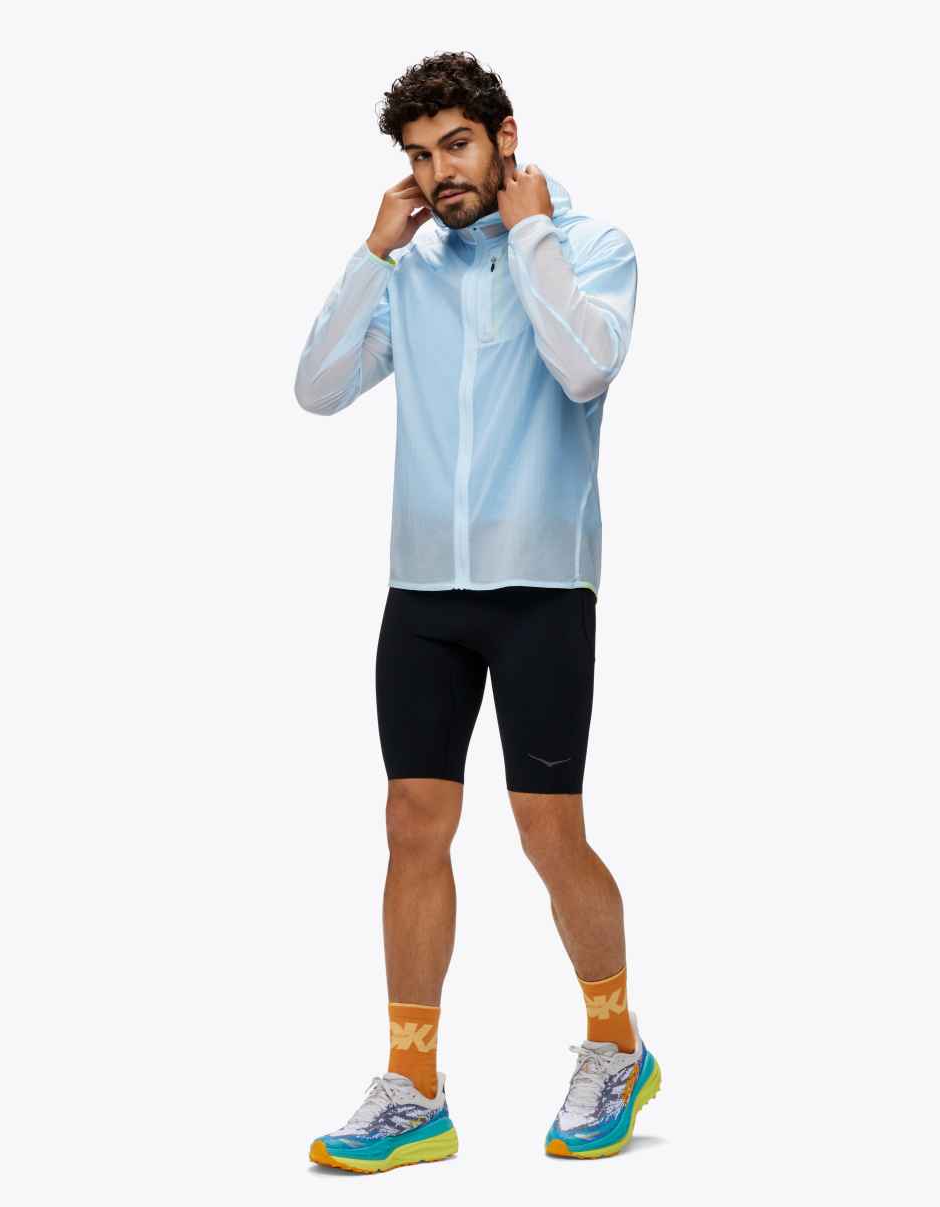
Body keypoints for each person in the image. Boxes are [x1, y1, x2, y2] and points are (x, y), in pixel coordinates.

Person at [295, 51, 659, 1174]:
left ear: (504, 135)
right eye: (418, 155)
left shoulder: (591, 244)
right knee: (413, 821)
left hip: (541, 586)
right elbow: (317, 387)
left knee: (549, 830)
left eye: (454, 144)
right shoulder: (411, 270)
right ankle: (413, 1087)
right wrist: (372, 252)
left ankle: (616, 1045)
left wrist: (533, 230)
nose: (438, 172)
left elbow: (586, 368)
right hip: (423, 594)